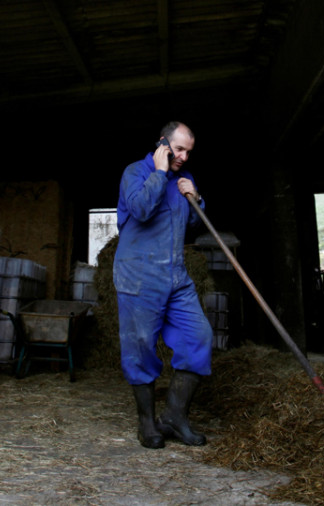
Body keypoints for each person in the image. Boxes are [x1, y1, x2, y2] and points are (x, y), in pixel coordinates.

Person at [114, 121, 213, 449]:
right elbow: (141, 210)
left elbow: (194, 224)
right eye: (179, 149)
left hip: (176, 276)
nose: (184, 157)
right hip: (139, 275)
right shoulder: (135, 173)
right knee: (140, 348)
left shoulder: (183, 180)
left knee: (198, 337)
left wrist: (195, 197)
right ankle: (147, 423)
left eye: (189, 151)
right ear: (163, 144)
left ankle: (174, 416)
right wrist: (159, 173)